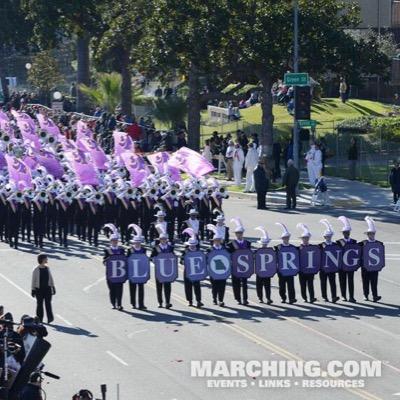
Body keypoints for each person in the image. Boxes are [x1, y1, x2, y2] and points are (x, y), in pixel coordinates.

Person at [227, 218, 251, 305]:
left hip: (245, 266)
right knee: (236, 283)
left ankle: (245, 299)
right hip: (235, 266)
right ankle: (238, 298)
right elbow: (228, 255)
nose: (239, 235)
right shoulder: (231, 244)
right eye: (237, 233)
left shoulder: (247, 243)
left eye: (240, 233)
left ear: (242, 234)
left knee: (244, 283)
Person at [151, 224, 174, 308]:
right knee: (159, 286)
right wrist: (155, 260)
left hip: (168, 270)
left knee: (168, 286)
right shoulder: (156, 248)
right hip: (159, 269)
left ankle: (168, 302)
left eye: (165, 239)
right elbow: (151, 257)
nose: (163, 240)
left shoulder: (170, 248)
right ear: (160, 240)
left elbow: (173, 257)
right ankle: (160, 302)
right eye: (162, 239)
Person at [102, 225, 125, 311]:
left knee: (120, 289)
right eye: (113, 241)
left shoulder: (121, 249)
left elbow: (124, 259)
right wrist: (108, 259)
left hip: (120, 273)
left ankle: (119, 304)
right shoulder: (107, 250)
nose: (114, 242)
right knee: (112, 289)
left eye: (116, 241)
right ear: (110, 242)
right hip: (111, 273)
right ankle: (113, 303)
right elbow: (104, 261)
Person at [360, 217, 382, 302]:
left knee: (374, 282)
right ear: (367, 234)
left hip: (374, 266)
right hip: (365, 266)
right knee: (365, 281)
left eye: (372, 234)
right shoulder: (363, 243)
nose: (371, 235)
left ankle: (375, 295)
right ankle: (365, 295)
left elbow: (380, 254)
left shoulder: (378, 243)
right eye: (369, 234)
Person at [274, 223, 297, 304]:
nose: (286, 239)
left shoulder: (293, 247)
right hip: (281, 270)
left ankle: (292, 298)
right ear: (282, 238)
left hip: (290, 269)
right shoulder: (278, 247)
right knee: (282, 286)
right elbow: (275, 258)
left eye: (287, 238)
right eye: (284, 238)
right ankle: (283, 297)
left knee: (291, 285)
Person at [181, 228, 204, 308]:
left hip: (196, 271)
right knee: (188, 286)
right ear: (189, 245)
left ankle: (199, 300)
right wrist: (183, 261)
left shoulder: (199, 251)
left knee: (197, 286)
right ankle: (190, 301)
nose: (193, 246)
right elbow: (181, 260)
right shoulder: (185, 251)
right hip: (187, 271)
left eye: (194, 245)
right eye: (191, 245)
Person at [336, 216, 357, 303]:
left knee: (351, 281)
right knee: (342, 280)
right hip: (342, 265)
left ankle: (351, 296)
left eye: (347, 232)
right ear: (343, 233)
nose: (346, 233)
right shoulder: (338, 242)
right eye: (345, 232)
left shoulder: (354, 241)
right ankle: (343, 295)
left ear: (349, 233)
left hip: (350, 264)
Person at [319, 220, 340, 303]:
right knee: (323, 282)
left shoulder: (335, 245)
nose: (328, 237)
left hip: (331, 267)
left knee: (333, 282)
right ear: (324, 237)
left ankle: (334, 296)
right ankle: (324, 296)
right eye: (327, 236)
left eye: (330, 236)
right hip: (323, 268)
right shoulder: (320, 245)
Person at [206, 224, 227, 307]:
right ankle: (214, 298)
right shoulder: (209, 249)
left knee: (222, 286)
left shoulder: (224, 249)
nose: (217, 242)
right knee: (215, 286)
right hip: (213, 271)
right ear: (214, 241)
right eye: (216, 240)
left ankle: (221, 300)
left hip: (223, 270)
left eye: (219, 240)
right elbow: (207, 259)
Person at [127, 224, 147, 310]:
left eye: (139, 242)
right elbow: (127, 260)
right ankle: (133, 303)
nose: (138, 243)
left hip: (141, 272)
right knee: (132, 288)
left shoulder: (144, 250)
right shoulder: (130, 250)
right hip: (132, 272)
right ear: (134, 242)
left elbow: (145, 260)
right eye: (136, 242)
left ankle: (141, 304)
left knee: (141, 288)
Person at [31, 254, 55, 324]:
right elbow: (33, 280)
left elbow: (50, 278)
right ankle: (39, 319)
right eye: (46, 258)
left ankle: (50, 318)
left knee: (48, 304)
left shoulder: (47, 268)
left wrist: (53, 287)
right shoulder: (36, 269)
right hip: (39, 290)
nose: (47, 259)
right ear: (42, 259)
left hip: (47, 289)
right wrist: (33, 290)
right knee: (39, 305)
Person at [297, 223, 317, 303]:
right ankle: (304, 297)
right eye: (304, 238)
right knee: (303, 284)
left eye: (307, 238)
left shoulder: (312, 247)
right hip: (302, 270)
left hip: (310, 269)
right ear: (302, 239)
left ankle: (312, 297)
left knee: (310, 284)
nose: (306, 239)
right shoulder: (298, 248)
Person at [255, 227, 273, 304]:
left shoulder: (270, 251)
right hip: (259, 271)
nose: (264, 245)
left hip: (267, 271)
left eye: (265, 244)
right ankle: (260, 298)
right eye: (263, 244)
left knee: (267, 285)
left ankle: (268, 298)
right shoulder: (257, 251)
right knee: (259, 285)